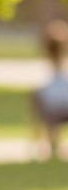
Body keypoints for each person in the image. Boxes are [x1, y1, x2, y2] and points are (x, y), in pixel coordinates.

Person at [31, 20, 68, 158]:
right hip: (56, 104)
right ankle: (53, 144)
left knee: (44, 102)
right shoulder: (51, 62)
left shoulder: (50, 62)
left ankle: (52, 144)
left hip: (53, 105)